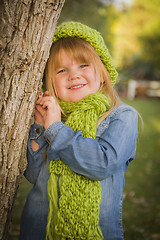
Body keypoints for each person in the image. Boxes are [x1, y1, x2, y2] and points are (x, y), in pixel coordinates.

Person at [19, 21, 138, 240]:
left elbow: (101, 164)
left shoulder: (121, 116)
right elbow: (34, 175)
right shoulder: (54, 117)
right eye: (62, 70)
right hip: (40, 232)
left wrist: (55, 129)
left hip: (98, 233)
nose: (73, 75)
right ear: (51, 81)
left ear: (102, 74)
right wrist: (40, 126)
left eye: (83, 66)